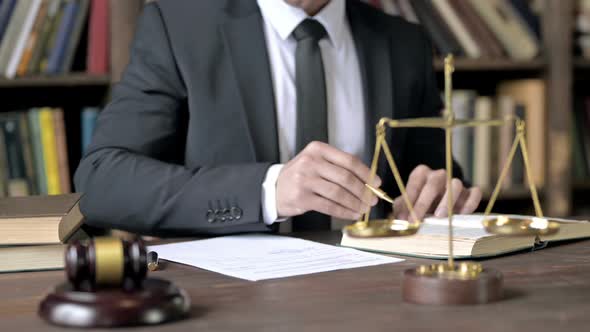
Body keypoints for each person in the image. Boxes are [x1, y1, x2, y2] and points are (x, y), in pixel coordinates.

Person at [74, 0, 482, 236]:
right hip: (225, 304)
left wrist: (440, 190)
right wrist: (269, 190)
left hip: (375, 296)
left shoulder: (403, 42)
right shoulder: (178, 26)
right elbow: (101, 181)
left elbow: (433, 173)